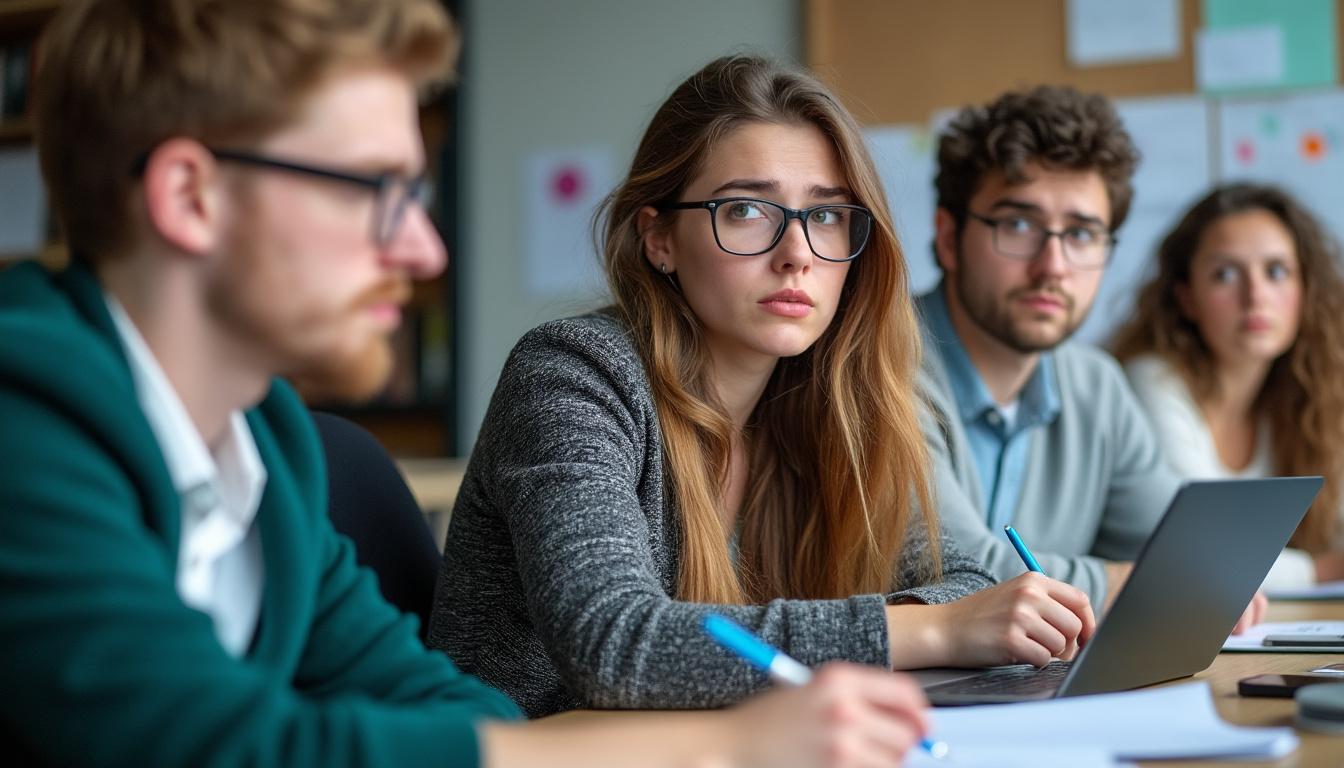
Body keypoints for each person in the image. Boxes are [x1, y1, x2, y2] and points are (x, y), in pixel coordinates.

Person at [0, 2, 935, 766]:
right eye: (374, 188)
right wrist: (721, 750)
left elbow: (434, 702)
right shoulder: (24, 426)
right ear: (190, 197)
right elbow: (239, 747)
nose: (424, 247)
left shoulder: (264, 442)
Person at [429, 54, 1097, 719]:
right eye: (747, 209)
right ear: (659, 237)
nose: (798, 253)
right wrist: (936, 630)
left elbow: (970, 581)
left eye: (827, 216)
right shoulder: (571, 375)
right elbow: (617, 645)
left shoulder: (838, 401)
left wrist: (955, 617)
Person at [915, 85, 1266, 631]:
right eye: (1018, 225)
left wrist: (1199, 579)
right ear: (947, 237)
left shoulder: (1096, 384)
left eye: (1081, 234)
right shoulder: (875, 365)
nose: (1053, 265)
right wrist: (1131, 587)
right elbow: (946, 577)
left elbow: (1196, 562)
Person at [1113, 182, 1344, 590]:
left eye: (1276, 272)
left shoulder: (1312, 396)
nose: (1255, 295)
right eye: (1225, 274)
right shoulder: (1151, 382)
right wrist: (1322, 570)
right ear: (1187, 298)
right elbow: (1206, 554)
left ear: (1305, 290)